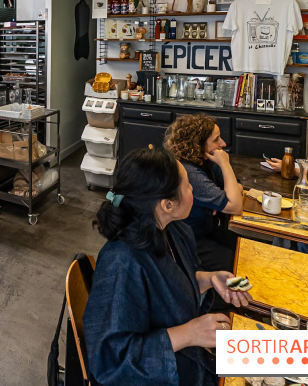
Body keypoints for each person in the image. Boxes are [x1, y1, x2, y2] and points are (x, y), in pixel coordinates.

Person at [83, 146, 252, 386]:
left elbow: (167, 284)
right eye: (188, 185)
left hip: (194, 356)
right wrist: (188, 334)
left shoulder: (172, 231)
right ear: (167, 205)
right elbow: (110, 361)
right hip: (167, 374)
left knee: (290, 359)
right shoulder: (121, 263)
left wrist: (208, 279)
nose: (193, 189)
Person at [164, 114, 243, 272]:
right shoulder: (190, 172)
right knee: (240, 262)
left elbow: (237, 188)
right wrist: (225, 165)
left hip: (209, 231)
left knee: (245, 247)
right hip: (191, 242)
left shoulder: (206, 161)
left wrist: (223, 197)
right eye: (216, 139)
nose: (223, 144)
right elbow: (236, 206)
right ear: (198, 144)